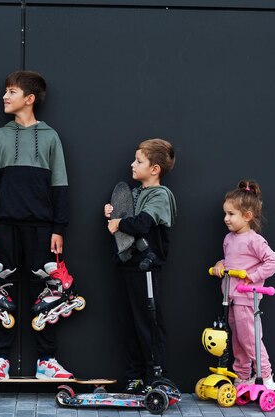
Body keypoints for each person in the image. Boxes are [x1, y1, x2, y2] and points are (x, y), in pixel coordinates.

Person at [0, 70, 73, 380]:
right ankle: (0, 361)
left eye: (11, 92)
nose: (4, 97)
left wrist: (58, 227)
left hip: (42, 230)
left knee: (47, 292)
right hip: (4, 227)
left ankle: (46, 361)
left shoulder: (50, 136)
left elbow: (60, 185)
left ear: (29, 99)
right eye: (5, 91)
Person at [104, 138, 177, 394]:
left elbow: (142, 224)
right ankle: (134, 376)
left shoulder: (160, 195)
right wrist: (113, 214)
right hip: (128, 267)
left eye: (139, 161)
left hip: (146, 268)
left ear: (155, 168)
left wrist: (119, 224)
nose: (132, 164)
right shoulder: (135, 193)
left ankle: (157, 376)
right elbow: (126, 222)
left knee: (149, 323)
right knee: (130, 324)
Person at [209, 179, 275, 390]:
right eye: (225, 213)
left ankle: (266, 375)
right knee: (238, 341)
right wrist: (219, 265)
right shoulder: (229, 239)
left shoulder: (254, 240)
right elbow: (228, 261)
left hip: (247, 297)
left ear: (247, 216)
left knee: (250, 338)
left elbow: (274, 262)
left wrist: (252, 276)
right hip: (231, 298)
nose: (226, 219)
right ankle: (242, 377)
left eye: (231, 214)